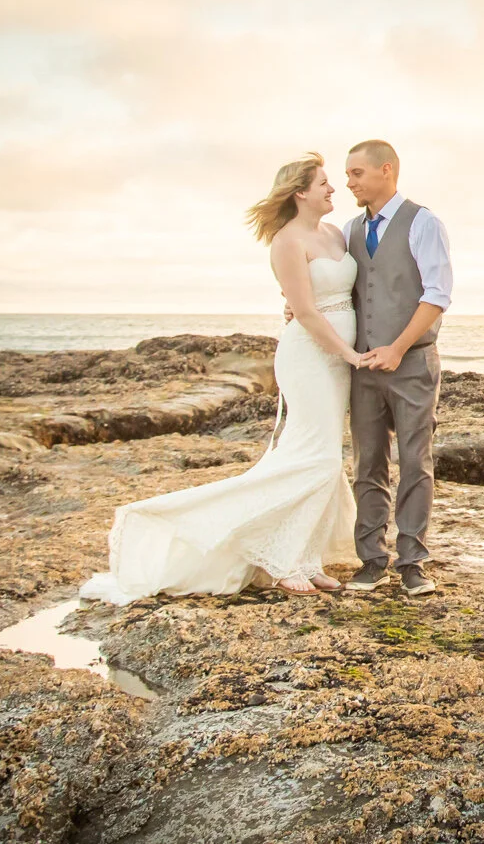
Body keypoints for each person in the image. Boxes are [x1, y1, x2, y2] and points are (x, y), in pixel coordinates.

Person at [81, 153, 361, 602]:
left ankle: (305, 559)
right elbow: (305, 312)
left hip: (337, 360)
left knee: (317, 455)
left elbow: (348, 293)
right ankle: (282, 560)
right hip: (310, 357)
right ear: (300, 192)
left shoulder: (334, 234)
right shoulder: (286, 242)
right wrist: (350, 352)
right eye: (325, 183)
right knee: (319, 458)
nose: (334, 190)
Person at [339, 139, 452, 596]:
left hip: (412, 366)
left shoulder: (423, 223)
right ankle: (371, 559)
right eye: (346, 175)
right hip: (363, 369)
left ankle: (413, 562)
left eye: (356, 174)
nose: (349, 183)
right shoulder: (348, 230)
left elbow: (437, 296)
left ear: (386, 170)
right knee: (367, 463)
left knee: (414, 462)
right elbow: (349, 294)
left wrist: (398, 348)